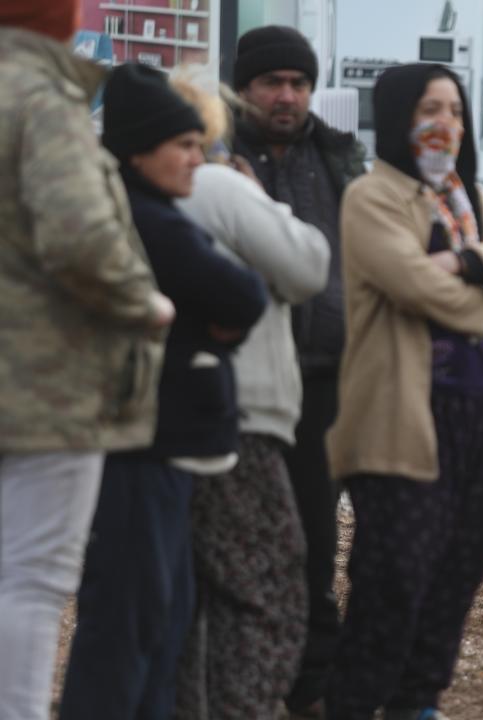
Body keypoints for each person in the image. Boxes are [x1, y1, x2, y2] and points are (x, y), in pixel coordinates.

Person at [323, 62, 483, 720]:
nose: (446, 123)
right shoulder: (373, 197)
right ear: (397, 117)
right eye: (430, 108)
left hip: (480, 414)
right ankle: (358, 705)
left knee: (459, 570)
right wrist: (478, 284)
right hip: (403, 418)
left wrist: (466, 259)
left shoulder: (463, 195)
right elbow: (425, 292)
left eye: (455, 110)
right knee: (395, 576)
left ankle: (418, 704)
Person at [59, 63, 267, 720]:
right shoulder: (152, 221)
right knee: (130, 618)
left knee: (160, 616)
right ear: (140, 152)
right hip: (142, 443)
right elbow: (244, 293)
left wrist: (208, 324)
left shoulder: (141, 211)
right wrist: (214, 322)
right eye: (182, 146)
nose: (197, 159)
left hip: (157, 443)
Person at [0, 6, 173, 717]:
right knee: (34, 581)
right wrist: (146, 302)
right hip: (48, 386)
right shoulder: (43, 101)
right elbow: (79, 236)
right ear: (62, 20)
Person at [168, 76, 330, 720]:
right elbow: (309, 265)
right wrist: (267, 202)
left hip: (168, 422)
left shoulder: (127, 194)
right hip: (245, 415)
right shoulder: (218, 186)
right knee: (267, 591)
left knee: (191, 595)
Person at [230, 25, 366, 717]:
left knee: (315, 541)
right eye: (271, 82)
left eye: (299, 83)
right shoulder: (216, 158)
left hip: (324, 381)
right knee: (240, 547)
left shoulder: (338, 159)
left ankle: (308, 690)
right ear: (243, 87)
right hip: (239, 387)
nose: (286, 96)